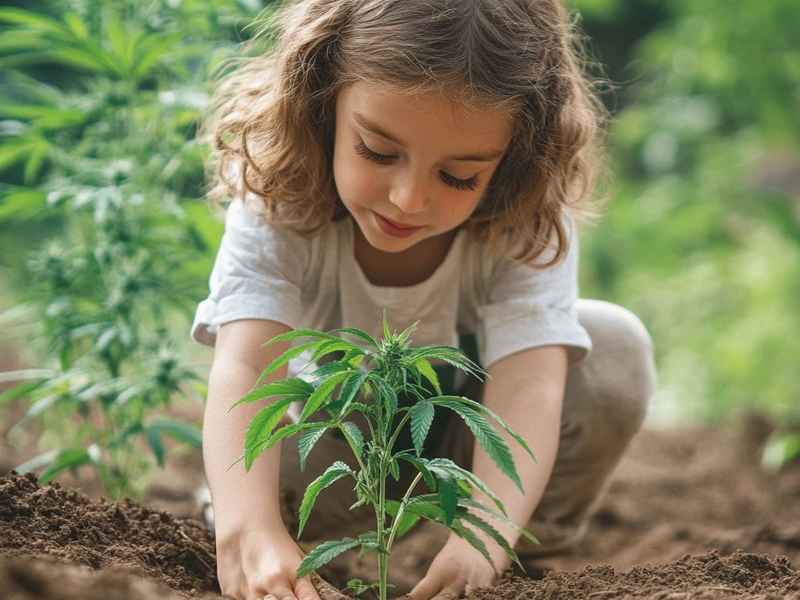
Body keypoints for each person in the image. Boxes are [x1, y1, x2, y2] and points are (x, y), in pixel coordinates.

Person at [191, 1, 657, 599]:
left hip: (468, 429)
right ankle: (255, 530)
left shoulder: (527, 216)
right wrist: (247, 527)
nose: (409, 200)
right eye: (379, 153)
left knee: (612, 348)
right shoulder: (280, 196)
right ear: (322, 102)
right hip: (333, 443)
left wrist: (486, 536)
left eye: (459, 176)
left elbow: (531, 382)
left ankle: (512, 565)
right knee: (254, 493)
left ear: (516, 157)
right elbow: (250, 365)